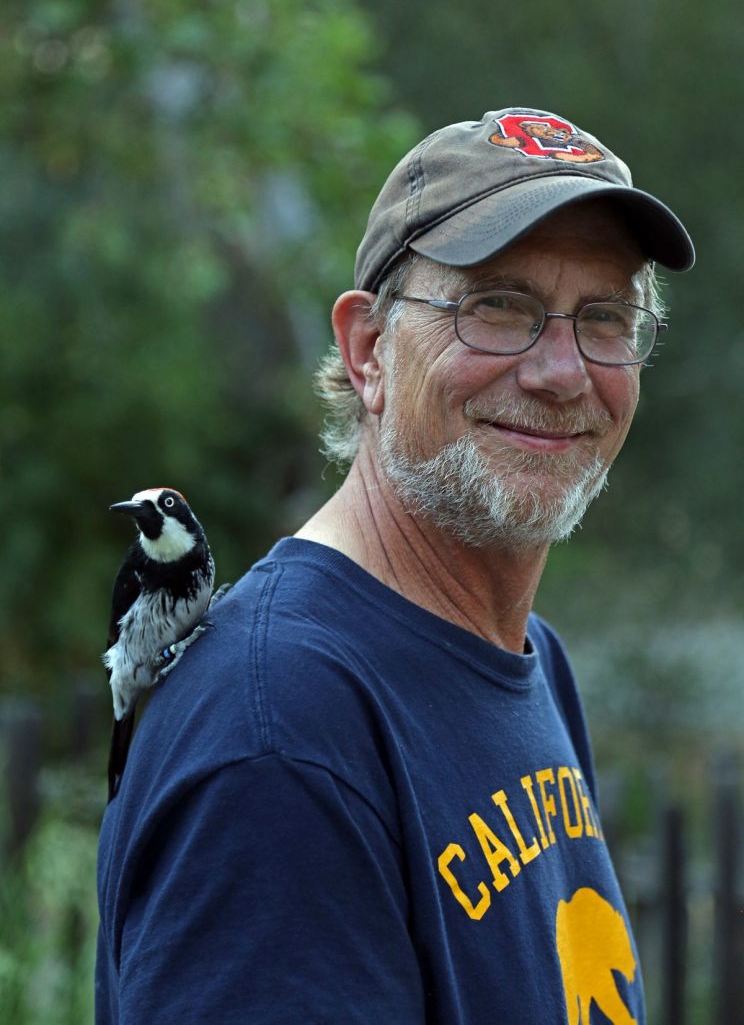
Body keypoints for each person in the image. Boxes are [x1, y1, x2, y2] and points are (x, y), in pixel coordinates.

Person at [95, 107, 694, 1023]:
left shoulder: (527, 656)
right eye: (501, 307)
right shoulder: (281, 735)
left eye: (606, 317)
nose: (563, 372)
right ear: (368, 349)